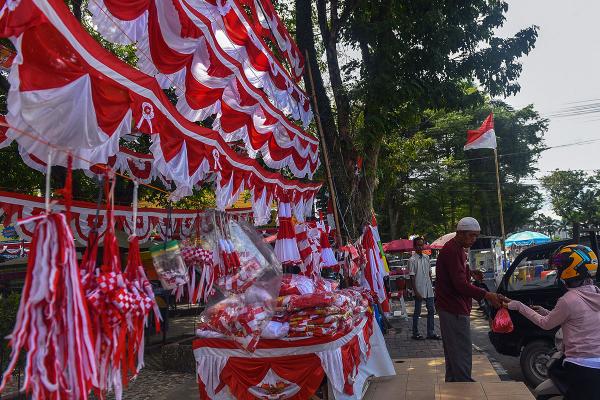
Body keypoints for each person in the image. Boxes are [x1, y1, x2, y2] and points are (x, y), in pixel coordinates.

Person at [506, 244, 600, 400]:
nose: (558, 271)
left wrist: (519, 306)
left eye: (560, 267)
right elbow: (576, 319)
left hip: (579, 366)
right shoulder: (596, 294)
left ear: (571, 269)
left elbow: (546, 324)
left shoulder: (568, 299)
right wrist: (545, 311)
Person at [435, 217, 502, 382]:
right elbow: (459, 285)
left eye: (476, 236)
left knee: (454, 354)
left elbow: (456, 275)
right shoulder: (452, 250)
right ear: (460, 233)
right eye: (471, 235)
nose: (474, 240)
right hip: (453, 308)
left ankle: (454, 385)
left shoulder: (457, 249)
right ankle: (463, 386)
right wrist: (487, 295)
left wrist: (470, 272)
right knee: (460, 352)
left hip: (452, 306)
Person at [409, 237, 440, 340]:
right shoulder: (412, 260)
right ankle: (415, 333)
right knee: (417, 312)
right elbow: (412, 277)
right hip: (418, 289)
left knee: (431, 310)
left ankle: (430, 333)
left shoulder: (427, 257)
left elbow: (429, 274)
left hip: (428, 289)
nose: (420, 247)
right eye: (418, 245)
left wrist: (432, 287)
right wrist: (415, 291)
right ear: (414, 246)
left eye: (422, 245)